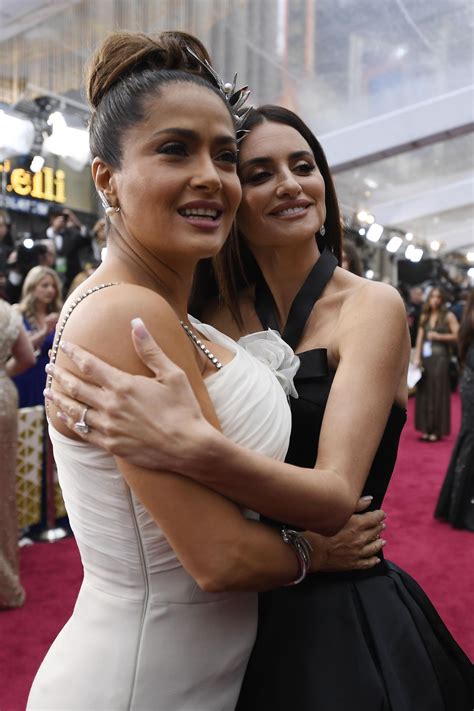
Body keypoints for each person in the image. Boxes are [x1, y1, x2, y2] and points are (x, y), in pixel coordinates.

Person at [46, 103, 473, 709]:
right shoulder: (203, 319)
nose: (291, 184)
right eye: (260, 172)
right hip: (229, 609)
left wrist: (193, 446)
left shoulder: (372, 306)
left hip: (340, 609)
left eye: (304, 166)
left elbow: (336, 493)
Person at [27, 31, 385, 711]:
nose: (210, 175)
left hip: (199, 670)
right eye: (174, 149)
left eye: (224, 155)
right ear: (105, 177)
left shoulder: (175, 312)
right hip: (140, 680)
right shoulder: (127, 314)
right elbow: (219, 558)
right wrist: (316, 551)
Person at [0, 298, 36, 608]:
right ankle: (6, 580)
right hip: (2, 397)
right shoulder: (4, 311)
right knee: (3, 488)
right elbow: (26, 358)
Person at [435, 288, 474, 530]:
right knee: (470, 438)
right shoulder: (470, 311)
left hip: (469, 374)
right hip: (472, 378)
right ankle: (460, 509)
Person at [414, 286, 460, 441]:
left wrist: (439, 337)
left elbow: (458, 336)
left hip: (441, 357)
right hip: (426, 359)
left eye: (438, 297)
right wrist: (416, 358)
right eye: (433, 296)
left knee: (437, 391)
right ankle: (426, 428)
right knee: (425, 391)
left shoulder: (448, 316)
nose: (435, 299)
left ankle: (436, 429)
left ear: (442, 299)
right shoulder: (425, 316)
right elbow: (420, 339)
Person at [12, 266, 62, 408]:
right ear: (32, 287)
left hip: (49, 379)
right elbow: (20, 348)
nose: (51, 290)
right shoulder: (17, 312)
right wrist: (45, 331)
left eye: (53, 286)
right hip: (25, 377)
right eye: (45, 285)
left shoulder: (59, 314)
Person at [44, 206, 90, 294]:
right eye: (56, 216)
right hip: (49, 278)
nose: (60, 219)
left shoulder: (71, 235)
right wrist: (54, 229)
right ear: (51, 218)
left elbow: (87, 239)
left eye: (63, 217)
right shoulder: (42, 234)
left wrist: (75, 221)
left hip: (70, 279)